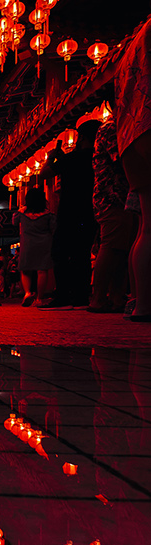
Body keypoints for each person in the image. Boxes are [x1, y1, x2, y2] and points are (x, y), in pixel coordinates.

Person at [113, 20, 151, 320]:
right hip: (148, 120)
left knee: (147, 227)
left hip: (130, 135)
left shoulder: (128, 49)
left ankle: (143, 303)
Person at [46, 122, 99, 307]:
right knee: (82, 254)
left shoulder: (71, 158)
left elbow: (45, 173)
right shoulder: (97, 158)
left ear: (81, 137)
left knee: (60, 253)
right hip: (89, 212)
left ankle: (62, 295)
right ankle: (81, 296)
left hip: (69, 212)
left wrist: (51, 157)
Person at [89, 118, 137, 312]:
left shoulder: (114, 127)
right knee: (111, 247)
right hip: (111, 196)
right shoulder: (111, 128)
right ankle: (98, 298)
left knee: (120, 248)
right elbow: (121, 158)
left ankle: (116, 297)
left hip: (118, 196)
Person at [13, 186, 55, 307]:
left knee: (25, 270)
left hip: (27, 243)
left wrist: (21, 209)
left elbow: (14, 222)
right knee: (42, 270)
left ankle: (27, 293)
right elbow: (54, 229)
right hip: (44, 244)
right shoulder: (48, 214)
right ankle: (39, 298)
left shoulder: (22, 214)